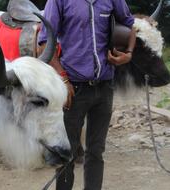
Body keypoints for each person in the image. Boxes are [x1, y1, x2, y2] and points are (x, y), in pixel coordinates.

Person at [38, 0, 136, 189]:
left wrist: (129, 53)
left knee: (96, 151)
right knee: (69, 152)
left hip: (105, 87)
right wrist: (63, 80)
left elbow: (130, 25)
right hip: (73, 89)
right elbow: (44, 43)